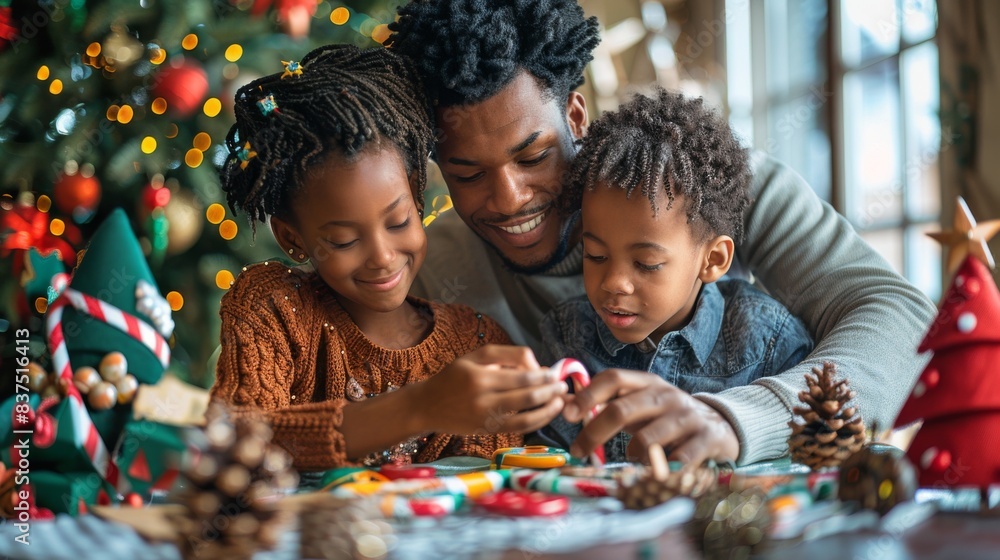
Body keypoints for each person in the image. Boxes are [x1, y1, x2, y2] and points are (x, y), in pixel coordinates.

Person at [388, 0, 936, 467]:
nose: (509, 198)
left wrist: (734, 419)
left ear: (576, 118)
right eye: (467, 174)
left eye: (534, 156)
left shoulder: (716, 189)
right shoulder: (433, 267)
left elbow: (902, 321)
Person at [212, 44, 567, 471]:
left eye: (398, 222)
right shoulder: (273, 309)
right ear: (291, 237)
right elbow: (233, 440)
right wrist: (418, 407)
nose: (382, 256)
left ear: (417, 196)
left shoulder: (475, 342)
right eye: (343, 241)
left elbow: (490, 487)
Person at [537, 89, 814, 461]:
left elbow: (814, 454)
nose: (613, 282)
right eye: (596, 255)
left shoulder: (770, 344)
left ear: (713, 259)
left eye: (647, 263)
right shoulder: (565, 340)